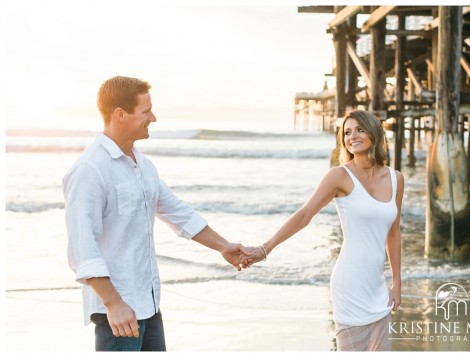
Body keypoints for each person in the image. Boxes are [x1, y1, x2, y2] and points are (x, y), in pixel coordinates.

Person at [62, 76, 248, 351]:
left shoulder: (143, 165)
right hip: (117, 314)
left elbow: (177, 212)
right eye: (146, 111)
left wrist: (223, 247)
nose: (154, 117)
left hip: (149, 304)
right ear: (120, 114)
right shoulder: (90, 170)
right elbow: (82, 248)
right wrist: (114, 304)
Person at [242, 110, 404, 351]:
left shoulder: (396, 178)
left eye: (359, 129)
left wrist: (397, 282)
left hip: (378, 287)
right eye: (347, 132)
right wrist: (265, 248)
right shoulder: (339, 176)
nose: (353, 136)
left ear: (374, 133)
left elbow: (393, 232)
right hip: (349, 285)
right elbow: (304, 215)